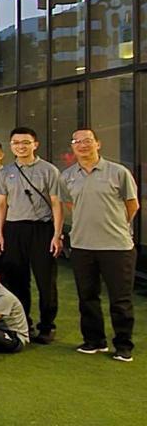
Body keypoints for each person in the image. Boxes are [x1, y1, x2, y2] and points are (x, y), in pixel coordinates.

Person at [62, 128, 139, 361]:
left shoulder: (118, 172)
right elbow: (69, 205)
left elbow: (132, 205)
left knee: (120, 299)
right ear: (73, 147)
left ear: (98, 143)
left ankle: (123, 345)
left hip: (117, 246)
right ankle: (94, 341)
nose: (82, 145)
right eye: (77, 141)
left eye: (87, 140)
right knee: (87, 297)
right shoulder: (67, 176)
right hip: (82, 245)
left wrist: (116, 225)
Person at [0, 126, 65, 344]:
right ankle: (24, 324)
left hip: (42, 229)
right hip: (14, 229)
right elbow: (1, 204)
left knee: (45, 280)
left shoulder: (49, 170)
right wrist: (0, 234)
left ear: (35, 144)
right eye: (16, 143)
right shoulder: (5, 172)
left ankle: (47, 326)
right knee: (16, 280)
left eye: (25, 142)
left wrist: (57, 234)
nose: (21, 146)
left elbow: (56, 204)